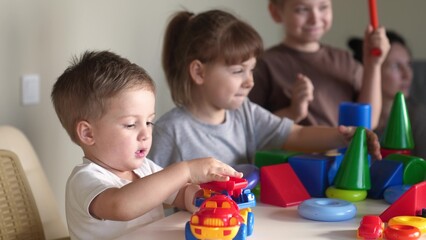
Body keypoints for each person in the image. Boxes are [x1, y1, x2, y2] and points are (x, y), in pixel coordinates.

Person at [148, 9, 381, 169]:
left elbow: (295, 134)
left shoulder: (244, 113)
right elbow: (149, 197)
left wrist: (343, 137)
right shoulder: (169, 132)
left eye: (251, 70)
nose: (249, 81)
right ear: (199, 72)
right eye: (238, 71)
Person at [51, 50, 243, 239]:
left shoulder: (145, 169)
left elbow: (181, 195)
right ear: (88, 133)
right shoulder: (85, 179)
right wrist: (185, 170)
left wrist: (206, 199)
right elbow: (122, 206)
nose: (145, 134)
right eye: (131, 124)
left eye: (149, 122)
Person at [248, 0, 390, 129]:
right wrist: (292, 113)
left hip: (342, 155)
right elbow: (250, 126)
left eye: (323, 7)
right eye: (302, 9)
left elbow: (368, 122)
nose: (315, 19)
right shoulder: (263, 64)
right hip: (292, 156)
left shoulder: (345, 60)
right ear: (276, 12)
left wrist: (373, 65)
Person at [348, 30, 426, 159]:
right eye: (396, 66)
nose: (407, 75)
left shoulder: (419, 118)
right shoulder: (352, 120)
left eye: (409, 65)